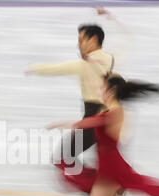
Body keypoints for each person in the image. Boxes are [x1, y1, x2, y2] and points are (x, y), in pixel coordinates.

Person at [26, 10, 117, 164]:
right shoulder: (109, 58)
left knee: (62, 157)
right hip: (109, 118)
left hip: (93, 118)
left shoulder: (84, 64)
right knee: (105, 165)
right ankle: (109, 185)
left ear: (93, 40)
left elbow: (56, 68)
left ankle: (99, 187)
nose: (78, 44)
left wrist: (33, 68)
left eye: (81, 40)